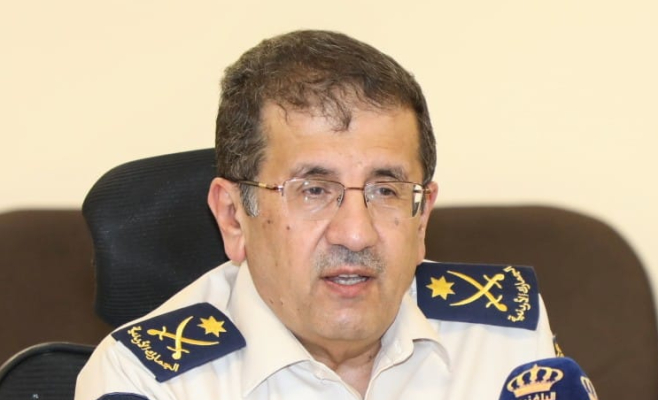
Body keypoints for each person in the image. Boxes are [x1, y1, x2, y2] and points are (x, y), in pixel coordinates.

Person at [75, 29, 557, 400]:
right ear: (233, 217)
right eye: (314, 190)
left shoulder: (503, 334)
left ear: (422, 217)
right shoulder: (147, 380)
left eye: (386, 190)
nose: (356, 233)